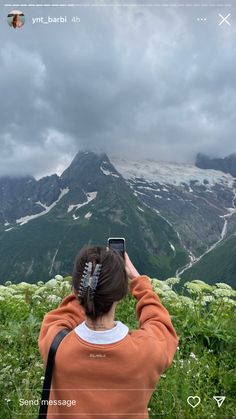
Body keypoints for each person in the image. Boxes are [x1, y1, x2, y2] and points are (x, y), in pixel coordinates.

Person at [38, 246, 178, 418]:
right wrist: (138, 281)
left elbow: (63, 316)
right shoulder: (148, 351)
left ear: (76, 291)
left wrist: (88, 286)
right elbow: (160, 323)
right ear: (121, 294)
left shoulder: (54, 342)